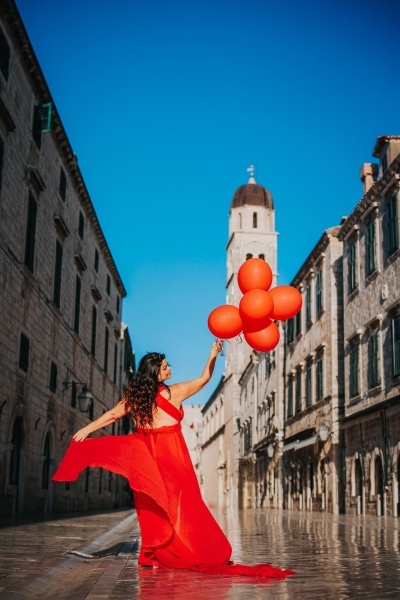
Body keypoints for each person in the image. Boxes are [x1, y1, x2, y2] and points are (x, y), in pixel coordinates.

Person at [52, 341, 294, 578]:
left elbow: (113, 415)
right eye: (165, 366)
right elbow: (203, 380)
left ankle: (156, 554)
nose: (170, 368)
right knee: (183, 507)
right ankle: (182, 551)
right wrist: (211, 355)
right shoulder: (173, 392)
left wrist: (87, 430)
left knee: (155, 508)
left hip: (148, 460)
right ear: (155, 371)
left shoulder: (136, 397)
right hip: (172, 458)